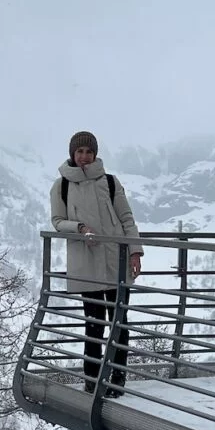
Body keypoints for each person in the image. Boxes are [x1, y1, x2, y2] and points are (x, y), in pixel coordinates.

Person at [50, 130, 144, 397]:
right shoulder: (61, 186)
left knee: (119, 322)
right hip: (86, 262)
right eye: (79, 152)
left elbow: (127, 219)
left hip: (116, 260)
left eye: (89, 152)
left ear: (95, 154)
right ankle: (92, 381)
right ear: (72, 154)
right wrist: (78, 227)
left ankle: (117, 380)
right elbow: (57, 222)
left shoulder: (111, 182)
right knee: (94, 324)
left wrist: (135, 252)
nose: (84, 157)